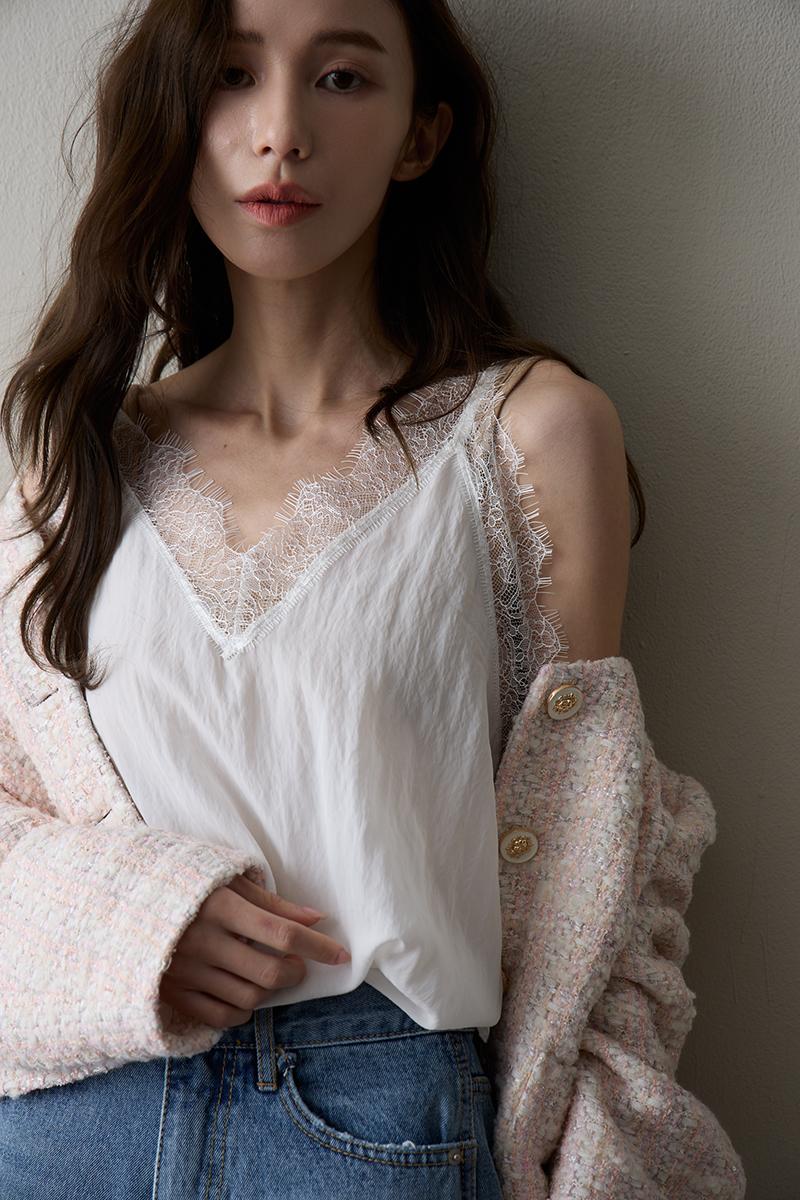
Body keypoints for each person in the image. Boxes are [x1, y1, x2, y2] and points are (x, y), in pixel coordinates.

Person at [0, 1, 733, 1198]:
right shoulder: (72, 457)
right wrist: (137, 923)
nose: (279, 131)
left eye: (340, 79)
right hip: (78, 1118)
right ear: (173, 114)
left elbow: (600, 860)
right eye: (229, 76)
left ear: (419, 135)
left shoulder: (526, 436)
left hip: (375, 1121)